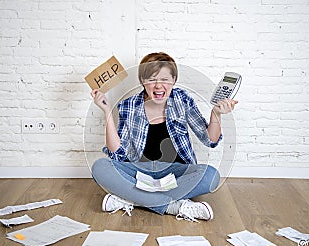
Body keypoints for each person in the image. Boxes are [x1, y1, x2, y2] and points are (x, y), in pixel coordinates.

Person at [91, 52, 238, 222]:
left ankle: (132, 198)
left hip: (175, 173)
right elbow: (118, 154)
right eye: (152, 79)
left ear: (174, 80)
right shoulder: (129, 105)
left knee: (211, 176)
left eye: (165, 80)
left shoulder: (182, 100)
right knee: (100, 167)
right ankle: (173, 206)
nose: (158, 86)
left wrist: (216, 114)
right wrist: (107, 111)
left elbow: (209, 140)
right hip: (139, 172)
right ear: (142, 81)